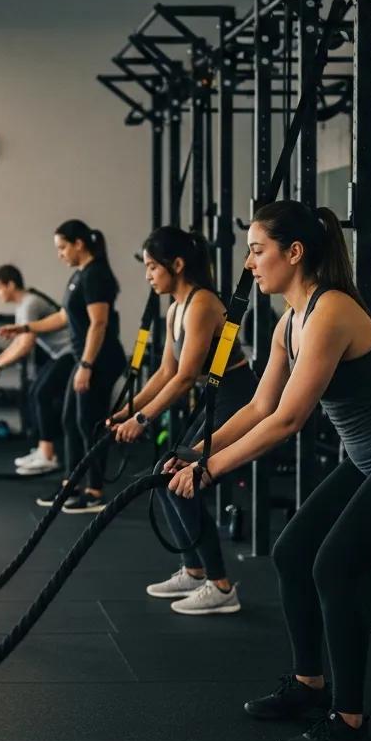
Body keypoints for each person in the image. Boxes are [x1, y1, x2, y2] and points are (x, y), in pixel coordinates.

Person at [168, 201, 371, 741]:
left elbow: (288, 420)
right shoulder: (291, 320)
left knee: (336, 565)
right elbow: (260, 405)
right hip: (367, 459)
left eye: (257, 250)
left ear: (295, 253)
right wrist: (196, 449)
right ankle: (310, 685)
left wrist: (211, 469)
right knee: (292, 554)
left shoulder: (331, 311)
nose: (249, 263)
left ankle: (350, 723)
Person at [109, 226, 255, 615]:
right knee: (166, 473)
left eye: (152, 267)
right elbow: (165, 372)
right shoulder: (176, 308)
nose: (147, 275)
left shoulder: (203, 303)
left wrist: (142, 419)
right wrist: (126, 411)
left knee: (177, 478)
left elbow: (186, 377)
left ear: (177, 264)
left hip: (238, 398)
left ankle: (220, 586)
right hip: (216, 398)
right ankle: (193, 571)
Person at [0, 220, 126, 513]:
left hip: (99, 360)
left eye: (62, 247)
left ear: (79, 244)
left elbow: (99, 323)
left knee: (89, 423)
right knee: (70, 419)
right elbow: (63, 317)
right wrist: (25, 328)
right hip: (86, 359)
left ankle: (94, 492)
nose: (60, 254)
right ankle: (72, 484)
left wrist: (86, 364)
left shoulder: (96, 275)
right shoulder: (79, 275)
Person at [0, 263, 73, 476]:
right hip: (59, 354)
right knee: (36, 392)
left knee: (42, 393)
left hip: (71, 353)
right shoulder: (23, 305)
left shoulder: (29, 304)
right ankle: (44, 450)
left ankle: (48, 456)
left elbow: (25, 345)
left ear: (11, 284)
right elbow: (18, 341)